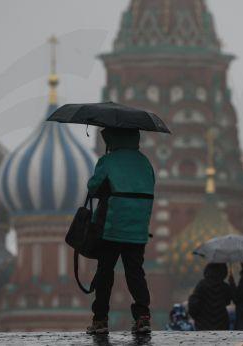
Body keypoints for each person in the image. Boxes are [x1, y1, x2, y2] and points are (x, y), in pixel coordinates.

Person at [86, 128, 155, 335]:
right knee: (135, 273)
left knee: (105, 273)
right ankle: (143, 317)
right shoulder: (145, 162)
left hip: (112, 227)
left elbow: (92, 187)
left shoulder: (108, 161)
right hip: (138, 229)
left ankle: (100, 320)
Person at [188, 263, 233, 331]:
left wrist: (196, 316)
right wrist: (232, 284)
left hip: (203, 325)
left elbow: (193, 303)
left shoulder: (202, 285)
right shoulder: (224, 287)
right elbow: (228, 302)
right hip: (221, 324)